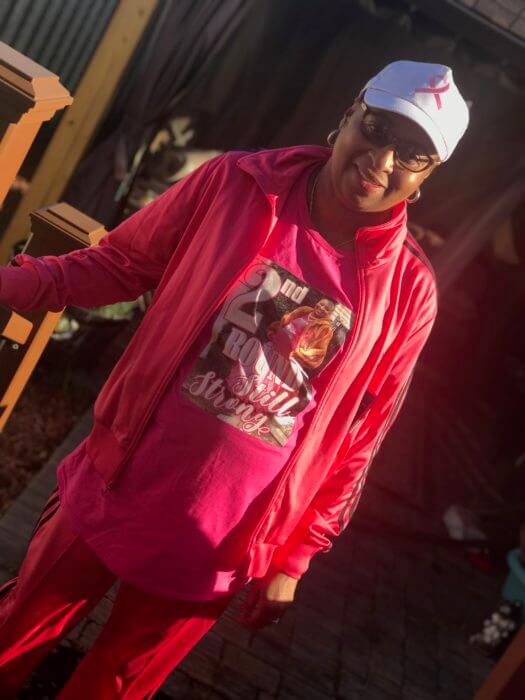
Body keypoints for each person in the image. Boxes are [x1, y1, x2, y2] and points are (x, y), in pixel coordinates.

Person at [0, 60, 469, 698]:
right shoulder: (238, 184)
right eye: (378, 127)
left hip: (220, 541)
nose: (384, 158)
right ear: (350, 112)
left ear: (428, 175)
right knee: (14, 637)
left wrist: (294, 559)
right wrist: (16, 280)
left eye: (412, 154)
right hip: (118, 480)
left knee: (112, 687)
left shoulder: (410, 292)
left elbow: (362, 436)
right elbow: (120, 263)